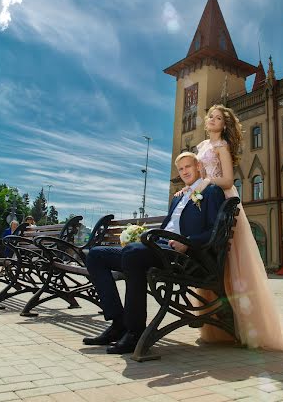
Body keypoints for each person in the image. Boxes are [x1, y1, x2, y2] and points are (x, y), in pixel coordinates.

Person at [179, 104, 283, 352]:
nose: (212, 120)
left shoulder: (222, 147)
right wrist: (190, 188)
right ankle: (219, 324)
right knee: (213, 260)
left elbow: (227, 180)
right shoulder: (202, 147)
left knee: (234, 262)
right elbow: (198, 177)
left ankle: (244, 324)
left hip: (222, 198)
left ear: (224, 125)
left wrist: (205, 182)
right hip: (205, 199)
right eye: (210, 117)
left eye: (218, 118)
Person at [83, 151, 225, 354]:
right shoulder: (178, 198)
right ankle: (118, 323)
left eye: (188, 166)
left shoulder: (211, 192)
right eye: (181, 168)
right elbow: (168, 226)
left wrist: (189, 243)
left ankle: (135, 332)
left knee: (133, 254)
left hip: (184, 256)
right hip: (160, 248)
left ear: (198, 167)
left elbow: (215, 230)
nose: (184, 171)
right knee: (96, 255)